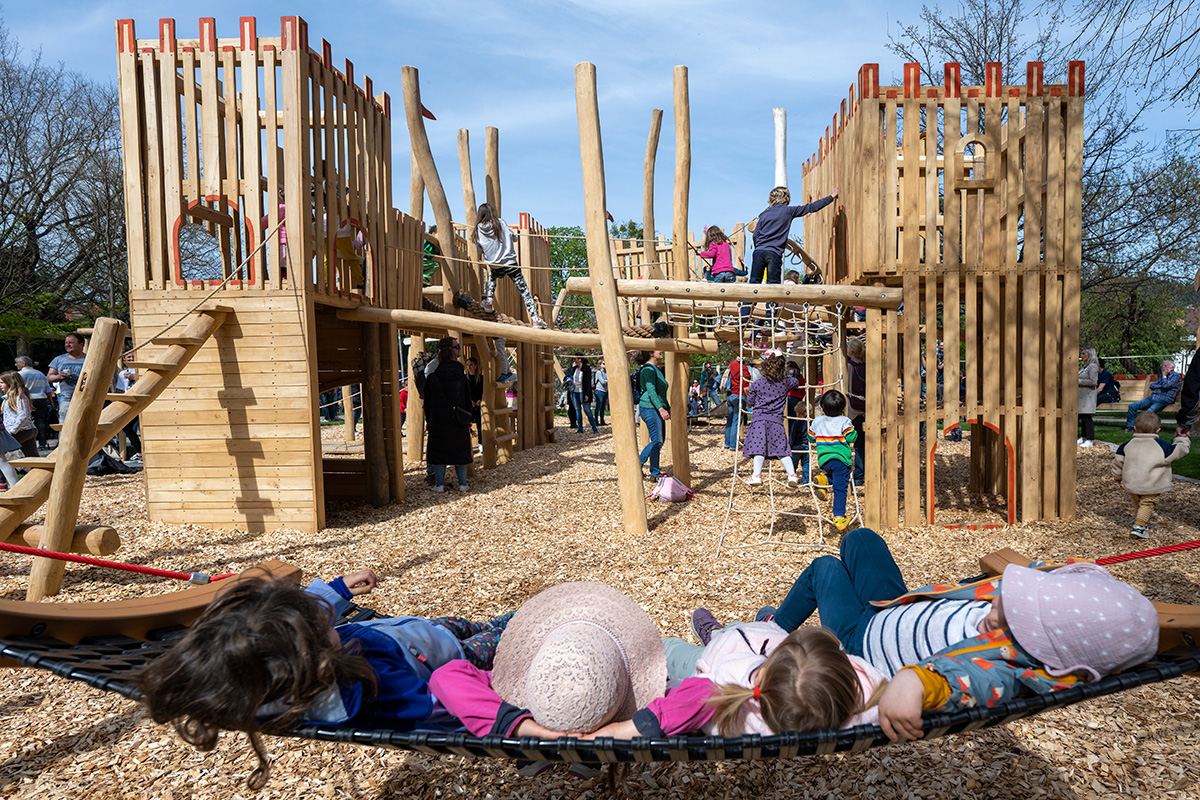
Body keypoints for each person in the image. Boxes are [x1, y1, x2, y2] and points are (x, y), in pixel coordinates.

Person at [755, 528, 1158, 743]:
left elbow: (972, 684)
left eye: (1011, 614)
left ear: (1041, 645)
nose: (996, 604)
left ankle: (771, 630)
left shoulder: (1009, 667)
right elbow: (1066, 578)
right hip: (893, 606)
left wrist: (917, 681)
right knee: (861, 539)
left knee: (825, 567)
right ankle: (778, 620)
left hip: (861, 641)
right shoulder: (1037, 614)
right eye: (1007, 597)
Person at [137, 570, 513, 790]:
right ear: (314, 655)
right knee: (508, 632)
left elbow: (283, 618)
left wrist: (338, 589)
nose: (329, 619)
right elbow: (439, 706)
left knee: (474, 623)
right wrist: (509, 709)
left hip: (417, 633)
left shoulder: (267, 666)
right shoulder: (378, 690)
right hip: (452, 658)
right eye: (323, 626)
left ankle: (504, 621)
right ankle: (528, 617)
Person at [662, 615, 885, 735]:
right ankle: (741, 626)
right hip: (752, 649)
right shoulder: (856, 703)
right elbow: (877, 689)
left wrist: (669, 687)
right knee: (747, 627)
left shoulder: (721, 691)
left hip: (716, 657)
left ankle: (716, 633)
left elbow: (684, 695)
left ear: (763, 673)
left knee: (670, 649)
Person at [741, 185, 839, 326]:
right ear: (786, 199)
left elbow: (756, 235)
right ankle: (770, 318)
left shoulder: (763, 215)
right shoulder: (788, 211)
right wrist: (831, 197)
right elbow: (811, 207)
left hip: (759, 252)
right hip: (773, 253)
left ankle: (744, 317)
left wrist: (760, 247)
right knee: (773, 286)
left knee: (753, 284)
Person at [1113, 410, 1190, 538]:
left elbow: (1118, 462)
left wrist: (1117, 476)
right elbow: (1180, 450)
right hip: (1151, 484)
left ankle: (1141, 523)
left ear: (1135, 428)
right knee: (1148, 502)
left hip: (1132, 483)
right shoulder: (1162, 447)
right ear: (1158, 430)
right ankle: (1138, 528)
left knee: (1139, 503)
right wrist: (1182, 439)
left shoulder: (1126, 446)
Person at [473, 203, 547, 329]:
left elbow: (479, 250)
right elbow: (514, 238)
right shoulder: (500, 223)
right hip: (510, 263)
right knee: (524, 291)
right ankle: (535, 319)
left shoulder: (477, 230)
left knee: (492, 278)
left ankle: (489, 301)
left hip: (494, 265)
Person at [742, 351, 801, 487]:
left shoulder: (757, 384)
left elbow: (750, 402)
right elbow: (795, 382)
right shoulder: (785, 383)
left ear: (765, 367)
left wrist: (749, 393)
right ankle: (792, 474)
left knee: (758, 448)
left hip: (759, 420)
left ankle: (756, 474)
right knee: (782, 448)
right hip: (776, 421)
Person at [424, 340, 474, 493]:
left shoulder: (432, 378)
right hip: (458, 419)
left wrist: (429, 419)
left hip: (439, 419)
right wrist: (468, 419)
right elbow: (467, 400)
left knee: (439, 452)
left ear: (440, 359)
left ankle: (439, 485)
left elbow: (427, 403)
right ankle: (463, 484)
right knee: (460, 451)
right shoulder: (462, 378)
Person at [809, 389, 857, 531]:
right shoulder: (844, 421)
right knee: (840, 488)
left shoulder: (817, 421)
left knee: (836, 479)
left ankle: (824, 480)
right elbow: (850, 437)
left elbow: (810, 437)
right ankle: (839, 515)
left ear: (822, 407)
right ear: (842, 409)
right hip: (840, 460)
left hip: (824, 460)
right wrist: (854, 432)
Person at [635, 350, 670, 480]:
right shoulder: (648, 370)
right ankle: (636, 466)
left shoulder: (656, 369)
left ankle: (654, 473)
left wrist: (667, 408)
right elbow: (651, 391)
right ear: (651, 353)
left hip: (655, 407)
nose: (662, 351)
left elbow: (660, 394)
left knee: (659, 442)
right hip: (649, 408)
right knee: (657, 440)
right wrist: (661, 409)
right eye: (658, 350)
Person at [1125, 359, 1182, 431]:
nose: (1163, 367)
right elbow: (1152, 386)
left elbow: (1166, 385)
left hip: (1163, 399)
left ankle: (1142, 429)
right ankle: (1130, 427)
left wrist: (1164, 377)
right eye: (1163, 366)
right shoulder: (1162, 376)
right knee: (1132, 406)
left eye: (1165, 366)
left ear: (1172, 368)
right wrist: (1161, 385)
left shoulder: (1176, 376)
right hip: (1152, 397)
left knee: (1148, 413)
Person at [47, 332, 87, 426]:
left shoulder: (89, 359)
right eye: (66, 342)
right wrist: (58, 377)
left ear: (81, 344)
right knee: (65, 425)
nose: (67, 345)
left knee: (85, 425)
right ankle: (63, 441)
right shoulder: (59, 359)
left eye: (71, 342)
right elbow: (49, 377)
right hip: (66, 399)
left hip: (86, 398)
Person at [0, 371, 40, 459]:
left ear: (10, 383)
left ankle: (6, 472)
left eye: (2, 383)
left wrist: (12, 431)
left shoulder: (20, 397)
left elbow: (23, 415)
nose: (0, 385)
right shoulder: (9, 397)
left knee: (1, 453)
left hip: (22, 431)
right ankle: (38, 471)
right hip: (26, 430)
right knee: (32, 457)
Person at [14, 357, 51, 448]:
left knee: (26, 422)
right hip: (41, 399)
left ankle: (28, 443)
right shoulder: (41, 374)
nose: (15, 364)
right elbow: (48, 390)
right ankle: (43, 443)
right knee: (41, 421)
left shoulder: (19, 375)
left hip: (27, 400)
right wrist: (51, 402)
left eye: (17, 363)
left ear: (23, 364)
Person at [845, 337, 869, 476]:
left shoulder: (849, 366)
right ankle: (860, 475)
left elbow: (847, 388)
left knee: (845, 442)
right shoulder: (865, 366)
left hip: (851, 409)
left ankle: (845, 471)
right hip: (863, 409)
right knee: (860, 444)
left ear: (852, 351)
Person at [785, 360, 810, 484]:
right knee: (800, 421)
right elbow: (803, 388)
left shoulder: (785, 373)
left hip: (788, 396)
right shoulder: (799, 375)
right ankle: (806, 481)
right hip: (797, 397)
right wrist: (801, 397)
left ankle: (792, 476)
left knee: (790, 421)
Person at [724, 355, 751, 450]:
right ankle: (733, 445)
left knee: (730, 420)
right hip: (739, 395)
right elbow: (746, 386)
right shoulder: (744, 368)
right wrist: (750, 400)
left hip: (730, 395)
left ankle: (727, 443)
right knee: (736, 421)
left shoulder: (732, 364)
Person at [567, 356, 598, 434]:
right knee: (578, 410)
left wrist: (587, 394)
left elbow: (588, 383)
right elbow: (568, 376)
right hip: (574, 392)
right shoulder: (574, 369)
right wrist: (573, 368)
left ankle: (594, 428)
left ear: (579, 359)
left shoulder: (586, 369)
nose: (573, 360)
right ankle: (580, 428)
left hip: (583, 392)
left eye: (575, 359)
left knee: (587, 410)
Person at [1077, 347, 1099, 448]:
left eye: (1083, 354)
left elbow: (1093, 381)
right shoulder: (1085, 367)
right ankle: (1083, 437)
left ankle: (1090, 439)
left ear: (1090, 355)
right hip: (1082, 396)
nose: (1081, 356)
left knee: (1087, 417)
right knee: (1082, 416)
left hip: (1087, 397)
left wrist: (1079, 382)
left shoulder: (1093, 367)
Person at [465, 356, 484, 445]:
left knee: (481, 425)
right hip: (468, 405)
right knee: (466, 424)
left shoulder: (481, 378)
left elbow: (483, 391)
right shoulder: (465, 379)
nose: (469, 367)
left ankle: (481, 443)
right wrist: (469, 401)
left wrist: (480, 400)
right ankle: (467, 444)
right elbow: (463, 392)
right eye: (468, 365)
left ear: (476, 366)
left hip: (479, 404)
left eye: (471, 365)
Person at [592, 359, 609, 426]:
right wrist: (608, 380)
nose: (605, 365)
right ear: (600, 365)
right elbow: (602, 382)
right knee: (598, 406)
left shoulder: (606, 372)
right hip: (599, 391)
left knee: (603, 407)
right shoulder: (599, 372)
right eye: (603, 363)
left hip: (605, 391)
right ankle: (596, 421)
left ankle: (602, 420)